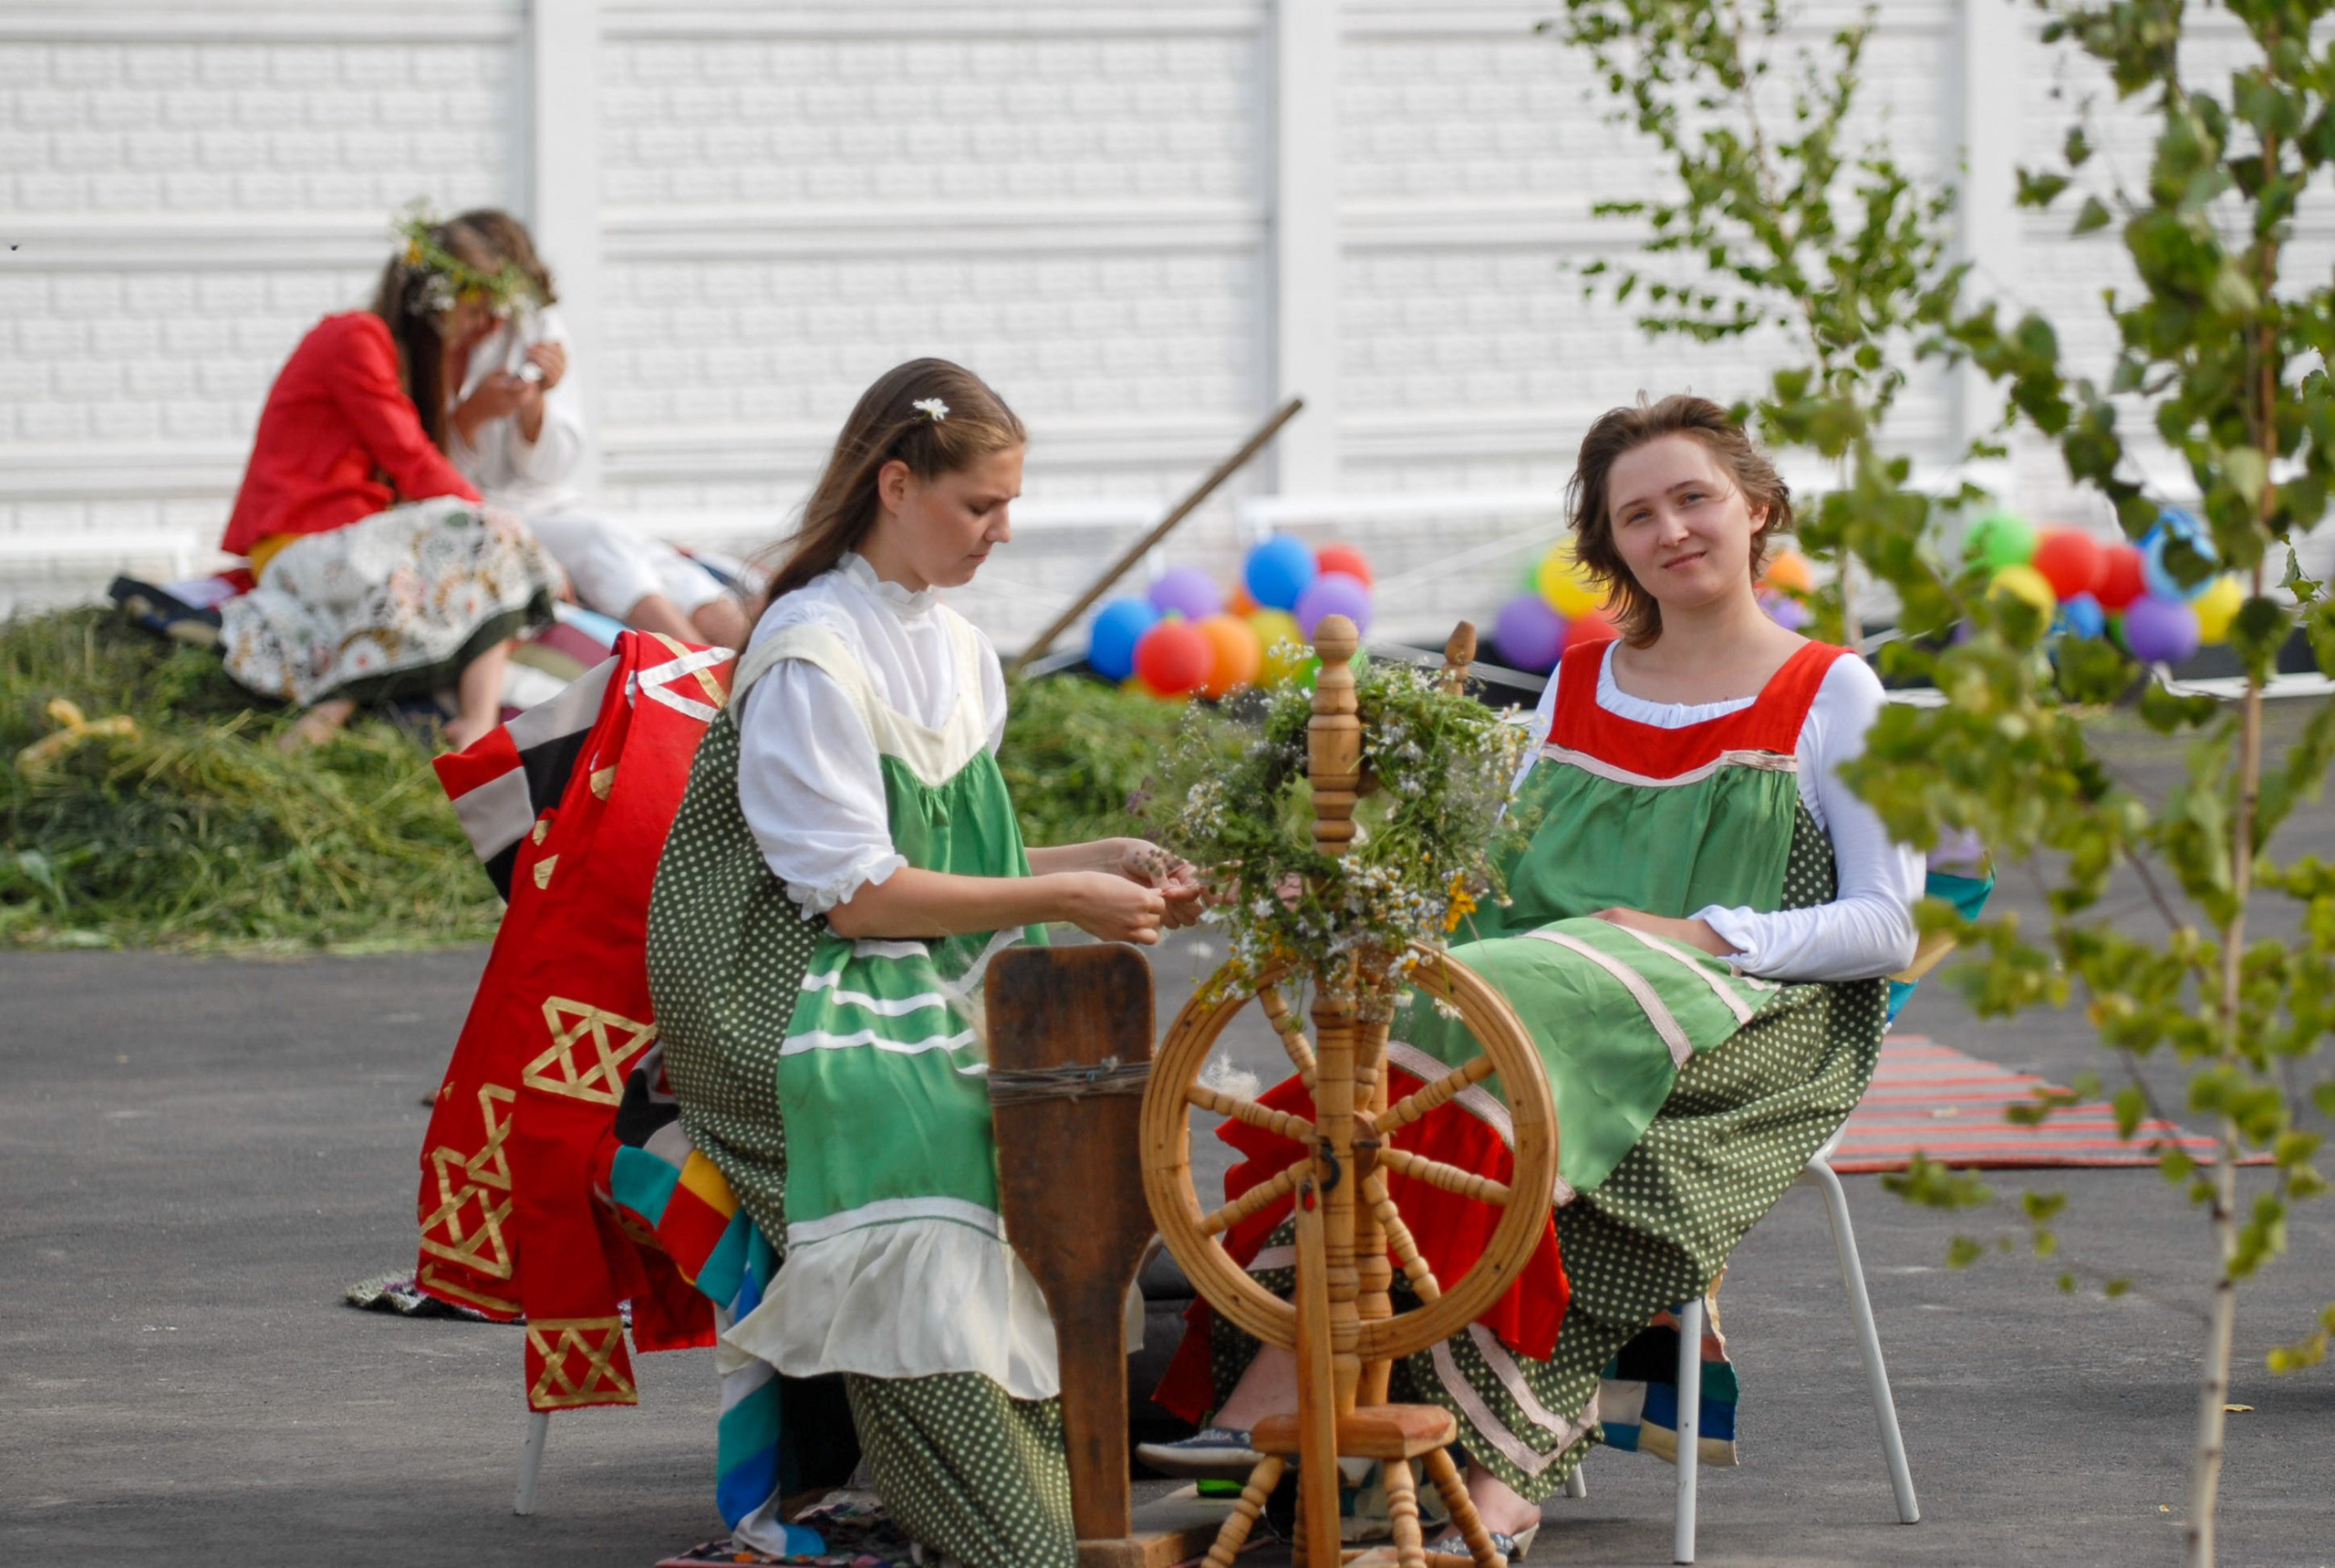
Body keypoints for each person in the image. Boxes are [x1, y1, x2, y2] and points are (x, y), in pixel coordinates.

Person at [1142, 395, 1924, 1562]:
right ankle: (1327, 1381)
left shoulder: (1833, 692)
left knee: (1502, 1005)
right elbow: (1484, 876)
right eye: (1636, 515)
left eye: (1694, 498)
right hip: (1535, 1003)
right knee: (1403, 999)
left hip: (1744, 1025)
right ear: (1611, 546)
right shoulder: (1582, 679)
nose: (1670, 531)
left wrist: (1701, 933)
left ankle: (1427, 1439)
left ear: (1756, 509)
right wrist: (1351, 893)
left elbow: (1886, 926)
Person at [644, 358, 1204, 1568]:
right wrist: (1061, 890)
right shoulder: (809, 651)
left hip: (910, 961)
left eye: (1009, 504)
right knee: (940, 1119)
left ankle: (1059, 1481)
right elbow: (852, 894)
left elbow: (934, 856)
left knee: (1062, 1107)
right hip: (774, 991)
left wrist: (1093, 854)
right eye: (979, 505)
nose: (1002, 531)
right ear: (896, 483)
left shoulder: (952, 648)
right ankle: (992, 1509)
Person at [218, 212, 558, 750]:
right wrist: (515, 534)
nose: (482, 328)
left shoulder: (392, 357)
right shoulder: (355, 337)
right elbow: (414, 462)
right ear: (435, 304)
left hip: (349, 544)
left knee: (485, 549)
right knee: (490, 532)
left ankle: (337, 713)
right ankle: (475, 721)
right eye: (474, 314)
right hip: (303, 545)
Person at [441, 208, 752, 651]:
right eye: (477, 303)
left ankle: (764, 670)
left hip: (542, 501)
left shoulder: (536, 329)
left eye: (500, 305)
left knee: (658, 560)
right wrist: (469, 417)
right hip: (476, 513)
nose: (491, 323)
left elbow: (555, 469)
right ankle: (711, 682)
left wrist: (534, 411)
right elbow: (417, 465)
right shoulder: (423, 343)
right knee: (599, 541)